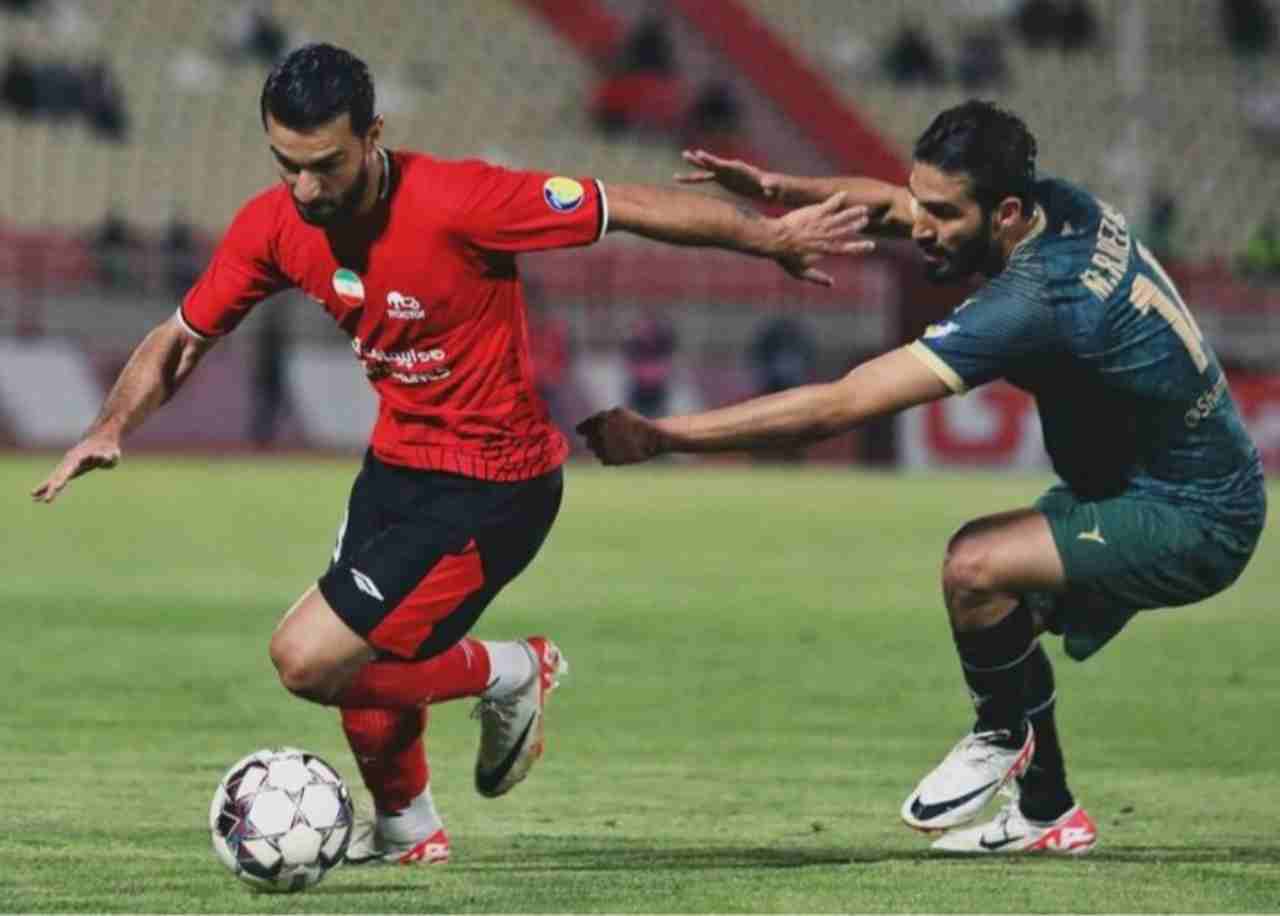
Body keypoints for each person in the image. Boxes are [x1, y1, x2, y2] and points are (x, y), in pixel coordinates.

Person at [31, 44, 870, 866]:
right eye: (287, 164)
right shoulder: (276, 223)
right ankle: (407, 830)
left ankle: (512, 670)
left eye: (325, 165)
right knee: (369, 656)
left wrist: (770, 240)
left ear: (373, 136)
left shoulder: (463, 199)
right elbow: (182, 336)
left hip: (495, 486)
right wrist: (111, 426)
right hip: (394, 467)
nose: (306, 187)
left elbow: (628, 206)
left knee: (310, 660)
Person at [578, 100, 1266, 856]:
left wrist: (667, 435)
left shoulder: (1034, 300)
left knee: (975, 567)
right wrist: (778, 188)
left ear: (1004, 214)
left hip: (1196, 513)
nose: (921, 226)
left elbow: (839, 406)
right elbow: (887, 205)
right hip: (1154, 482)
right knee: (998, 609)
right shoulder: (1055, 205)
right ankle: (1046, 812)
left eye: (942, 214)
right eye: (922, 201)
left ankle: (1000, 734)